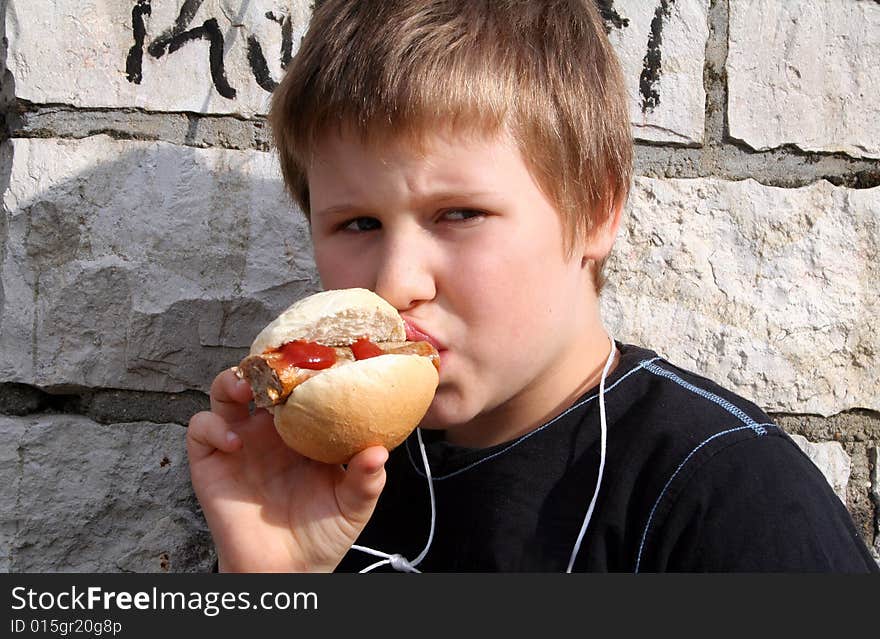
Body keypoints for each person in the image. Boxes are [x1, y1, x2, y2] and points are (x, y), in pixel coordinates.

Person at [186, 0, 878, 572]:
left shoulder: (722, 497)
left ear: (596, 210)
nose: (396, 281)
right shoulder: (319, 479)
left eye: (458, 214)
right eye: (358, 222)